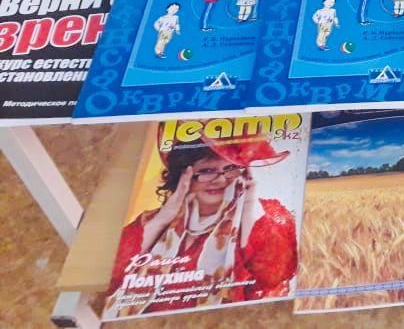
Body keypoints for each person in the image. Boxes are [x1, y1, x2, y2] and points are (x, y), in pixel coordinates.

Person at [106, 133, 297, 317]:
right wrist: (164, 217)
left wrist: (249, 208)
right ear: (184, 176)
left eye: (230, 168)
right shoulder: (153, 221)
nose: (220, 180)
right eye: (207, 171)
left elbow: (275, 276)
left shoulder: (265, 214)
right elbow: (110, 277)